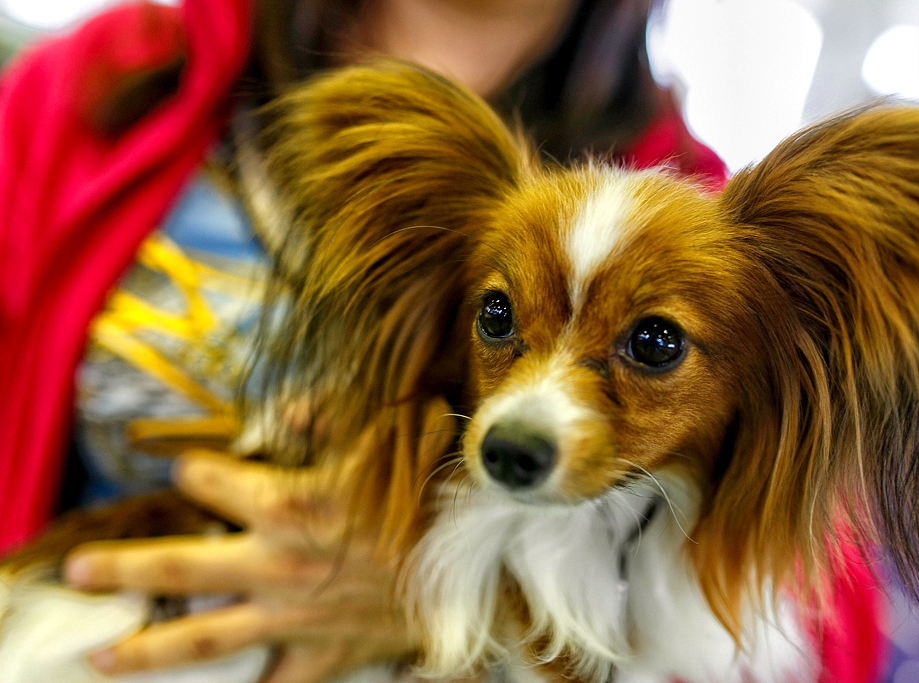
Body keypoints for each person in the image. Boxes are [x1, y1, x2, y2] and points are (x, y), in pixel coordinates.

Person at [0, 1, 727, 682]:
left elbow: (811, 595)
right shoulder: (104, 76)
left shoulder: (703, 209)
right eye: (498, 316)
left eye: (654, 342)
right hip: (77, 621)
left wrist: (456, 585)